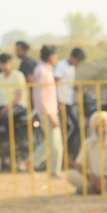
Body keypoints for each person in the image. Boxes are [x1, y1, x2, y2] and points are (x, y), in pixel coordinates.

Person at [68, 111, 107, 195]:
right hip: (93, 179)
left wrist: (103, 178)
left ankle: (97, 189)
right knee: (70, 174)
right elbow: (79, 165)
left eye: (103, 126)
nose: (100, 130)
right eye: (97, 127)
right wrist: (92, 178)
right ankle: (96, 188)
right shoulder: (88, 143)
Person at [32, 45, 64, 177]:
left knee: (56, 143)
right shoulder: (42, 71)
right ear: (50, 56)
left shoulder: (47, 70)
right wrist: (51, 114)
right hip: (47, 111)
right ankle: (31, 162)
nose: (56, 57)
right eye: (55, 55)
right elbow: (41, 95)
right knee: (53, 142)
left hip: (50, 109)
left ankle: (54, 171)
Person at [54, 47, 85, 158]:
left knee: (72, 126)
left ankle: (69, 152)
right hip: (62, 101)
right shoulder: (61, 66)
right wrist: (58, 103)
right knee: (72, 126)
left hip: (68, 101)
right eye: (77, 60)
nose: (77, 63)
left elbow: (68, 82)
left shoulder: (72, 67)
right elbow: (55, 84)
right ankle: (65, 152)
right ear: (72, 57)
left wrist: (77, 86)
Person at [0, 53, 28, 129]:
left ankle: (11, 136)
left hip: (18, 105)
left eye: (7, 63)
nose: (5, 66)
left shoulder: (18, 75)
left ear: (11, 63)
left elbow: (19, 97)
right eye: (2, 64)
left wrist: (5, 108)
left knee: (6, 116)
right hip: (3, 105)